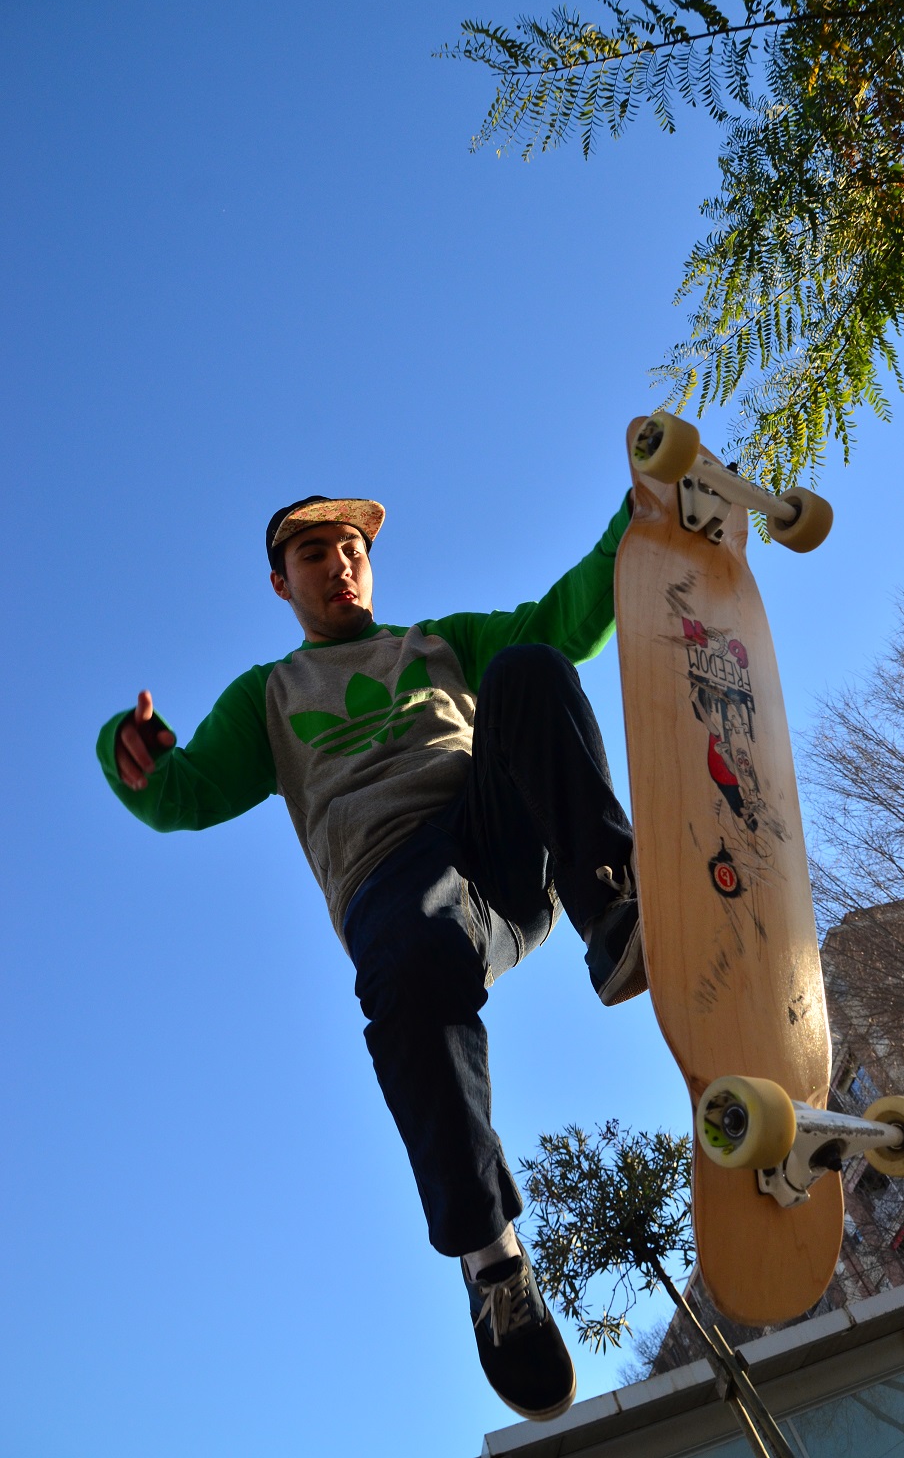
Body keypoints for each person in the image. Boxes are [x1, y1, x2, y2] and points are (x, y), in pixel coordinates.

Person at [97, 492, 645, 1422]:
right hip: (394, 888)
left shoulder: (438, 643)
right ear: (282, 583)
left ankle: (616, 914)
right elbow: (180, 795)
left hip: (495, 849)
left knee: (530, 663)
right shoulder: (267, 698)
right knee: (405, 963)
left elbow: (571, 615)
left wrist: (633, 514)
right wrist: (132, 755)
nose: (338, 564)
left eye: (350, 548)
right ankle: (492, 1256)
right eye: (314, 554)